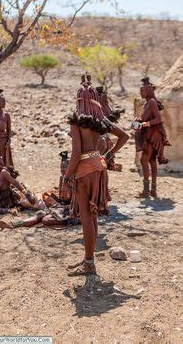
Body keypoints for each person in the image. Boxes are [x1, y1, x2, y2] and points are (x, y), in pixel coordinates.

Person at [62, 74, 129, 276]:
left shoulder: (76, 123)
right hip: (99, 168)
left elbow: (75, 154)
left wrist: (67, 176)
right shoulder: (100, 120)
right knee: (93, 216)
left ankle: (89, 263)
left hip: (85, 170)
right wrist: (108, 155)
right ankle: (88, 258)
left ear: (79, 100)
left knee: (86, 216)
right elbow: (124, 136)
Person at [134, 77, 171, 198]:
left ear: (148, 91)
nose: (140, 93)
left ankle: (146, 192)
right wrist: (139, 120)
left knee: (144, 160)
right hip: (150, 134)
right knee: (151, 161)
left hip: (152, 136)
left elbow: (158, 119)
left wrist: (145, 124)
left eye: (142, 90)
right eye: (140, 91)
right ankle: (153, 191)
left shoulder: (152, 102)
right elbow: (148, 117)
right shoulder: (148, 102)